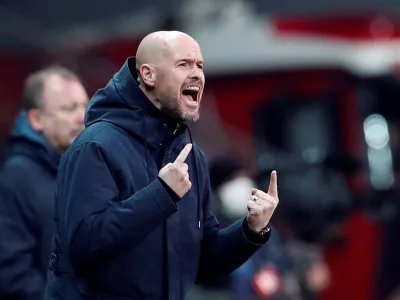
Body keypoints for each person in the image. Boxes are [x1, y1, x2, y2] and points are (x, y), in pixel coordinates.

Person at [45, 31, 279, 300]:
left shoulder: (192, 156)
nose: (197, 74)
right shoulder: (95, 146)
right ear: (148, 75)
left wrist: (250, 230)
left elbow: (202, 264)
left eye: (199, 66)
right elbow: (84, 247)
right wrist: (161, 195)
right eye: (184, 64)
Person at [0, 66, 88, 299]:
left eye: (84, 105)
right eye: (69, 108)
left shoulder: (87, 169)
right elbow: (11, 274)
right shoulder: (16, 176)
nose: (83, 116)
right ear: (36, 119)